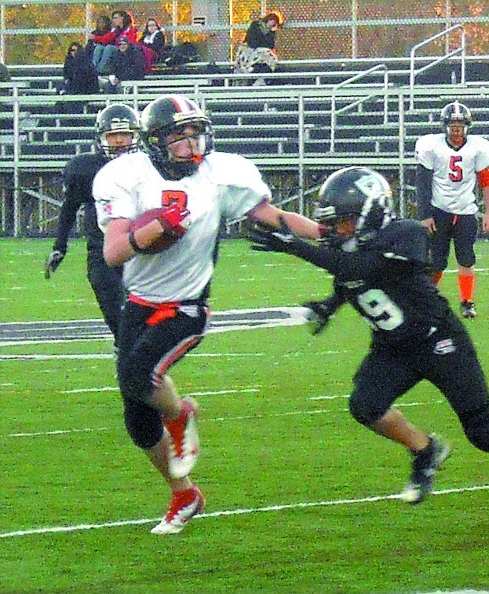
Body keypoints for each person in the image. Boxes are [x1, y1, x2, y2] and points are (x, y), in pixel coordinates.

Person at [249, 166, 489, 534]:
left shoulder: (406, 234)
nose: (338, 229)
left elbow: (363, 266)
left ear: (372, 211)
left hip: (439, 342)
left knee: (483, 431)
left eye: (345, 221)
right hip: (392, 347)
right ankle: (425, 450)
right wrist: (329, 305)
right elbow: (351, 278)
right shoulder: (347, 243)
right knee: (365, 405)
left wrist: (298, 248)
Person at [92, 94, 322, 535]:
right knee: (138, 419)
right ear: (155, 142)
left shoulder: (221, 173)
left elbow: (270, 215)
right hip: (138, 301)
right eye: (178, 137)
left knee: (139, 377)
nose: (191, 145)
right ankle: (184, 493)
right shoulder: (124, 175)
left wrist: (326, 235)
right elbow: (114, 252)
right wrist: (155, 230)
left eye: (195, 133)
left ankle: (179, 416)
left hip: (187, 306)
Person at [44, 104, 141, 345]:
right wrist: (60, 246)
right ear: (101, 138)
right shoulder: (87, 169)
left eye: (125, 134)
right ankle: (127, 352)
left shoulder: (148, 167)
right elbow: (70, 206)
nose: (119, 141)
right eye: (113, 135)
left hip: (142, 249)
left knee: (142, 317)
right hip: (103, 252)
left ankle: (133, 357)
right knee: (115, 312)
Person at [414, 101, 489, 319]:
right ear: (445, 126)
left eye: (460, 125)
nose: (456, 129)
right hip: (439, 210)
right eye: (452, 125)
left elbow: (486, 183)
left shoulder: (477, 148)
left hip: (466, 212)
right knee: (437, 261)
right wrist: (425, 214)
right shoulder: (432, 147)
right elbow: (422, 182)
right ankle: (426, 300)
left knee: (466, 258)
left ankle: (467, 301)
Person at [235, 10, 285, 81]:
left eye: (274, 23)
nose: (272, 24)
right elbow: (252, 41)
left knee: (269, 56)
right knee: (264, 53)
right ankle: (249, 69)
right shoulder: (255, 25)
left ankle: (254, 71)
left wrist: (272, 32)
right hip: (249, 49)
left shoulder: (270, 31)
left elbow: (270, 45)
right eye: (272, 20)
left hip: (260, 51)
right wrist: (263, 42)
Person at [59, 42, 98, 113]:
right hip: (73, 89)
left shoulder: (86, 63)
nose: (74, 52)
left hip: (85, 90)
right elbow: (67, 76)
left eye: (76, 50)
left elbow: (87, 79)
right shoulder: (68, 61)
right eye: (72, 50)